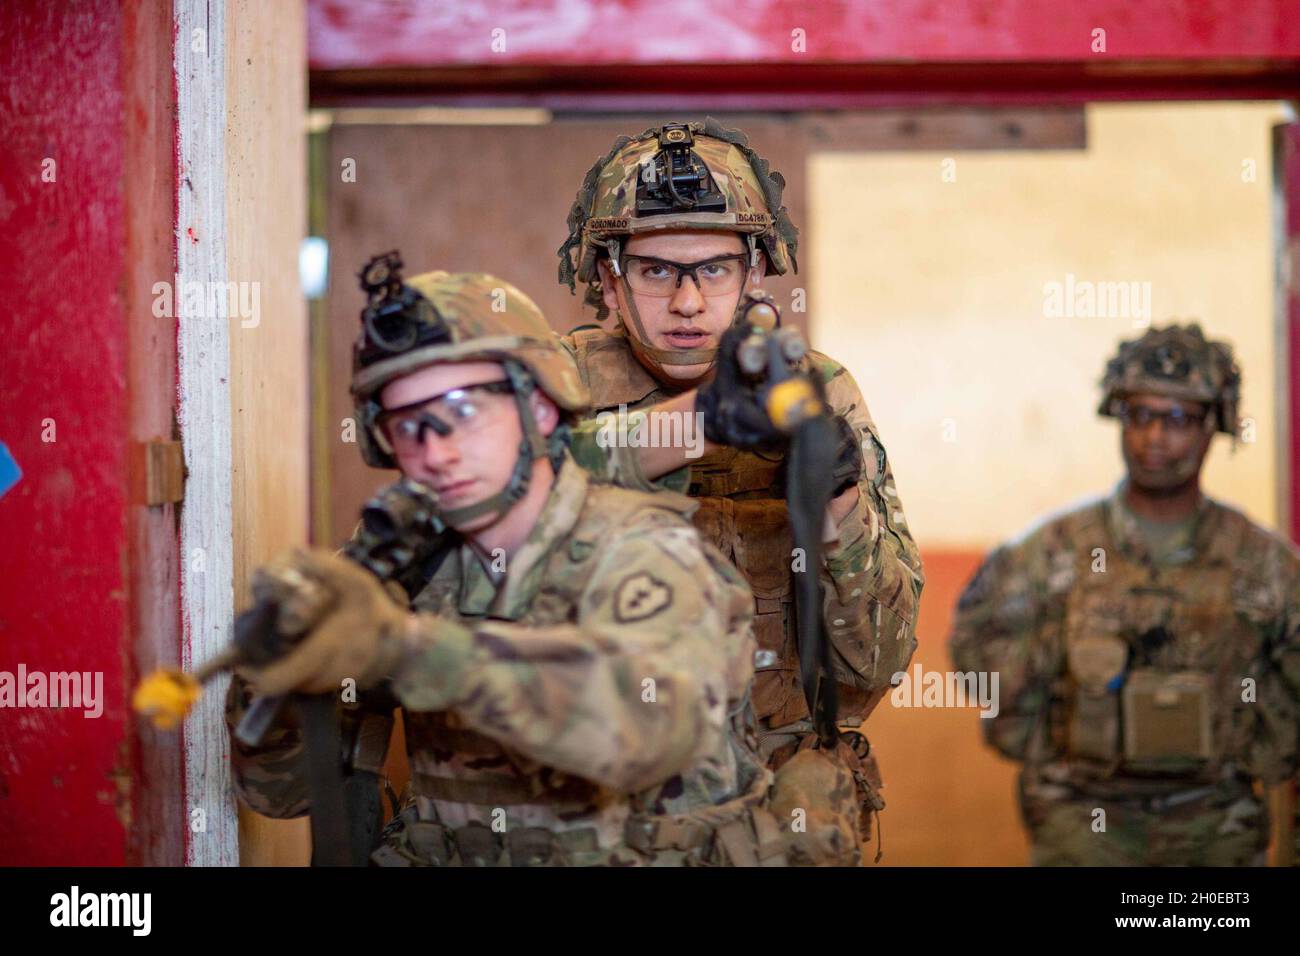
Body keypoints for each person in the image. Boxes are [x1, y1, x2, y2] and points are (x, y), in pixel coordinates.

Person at [225, 262, 785, 866]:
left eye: (463, 409)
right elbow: (281, 794)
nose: (436, 451)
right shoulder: (407, 561)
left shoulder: (643, 550)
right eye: (409, 425)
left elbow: (647, 729)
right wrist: (280, 672)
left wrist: (409, 651)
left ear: (540, 409)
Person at [556, 119, 923, 860]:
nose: (688, 303)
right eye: (657, 270)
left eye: (714, 270)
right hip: (594, 808)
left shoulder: (819, 390)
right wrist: (698, 420)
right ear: (608, 278)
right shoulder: (553, 388)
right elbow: (511, 514)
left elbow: (879, 662)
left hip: (773, 808)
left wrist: (838, 505)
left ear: (756, 273)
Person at [949, 323, 1300, 866]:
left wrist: (1259, 744)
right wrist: (1055, 689)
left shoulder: (1262, 562)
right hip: (1083, 823)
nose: (1155, 438)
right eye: (1139, 415)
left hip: (1217, 825)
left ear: (1216, 426)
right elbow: (976, 651)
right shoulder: (1053, 550)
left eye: (1179, 418)